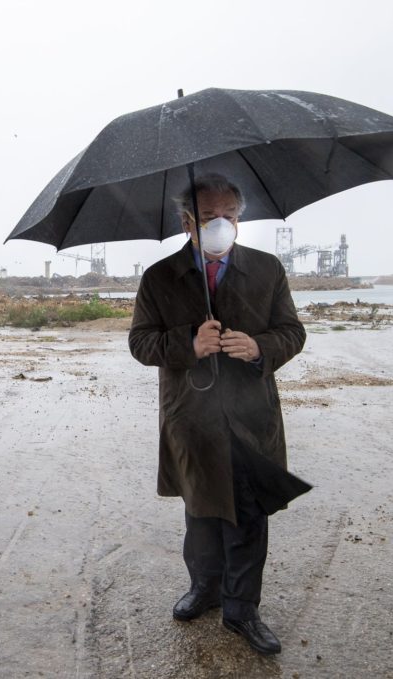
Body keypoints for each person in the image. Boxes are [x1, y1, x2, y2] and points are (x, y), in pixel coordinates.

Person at [128, 174, 306, 655]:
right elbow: (140, 342)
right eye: (210, 218)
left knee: (248, 514)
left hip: (251, 417)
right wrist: (187, 343)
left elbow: (293, 331)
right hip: (192, 417)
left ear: (240, 218)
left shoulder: (267, 270)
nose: (222, 225)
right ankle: (204, 589)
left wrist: (258, 347)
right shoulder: (160, 278)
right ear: (188, 222)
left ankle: (241, 609)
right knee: (201, 511)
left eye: (230, 215)